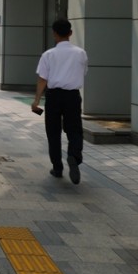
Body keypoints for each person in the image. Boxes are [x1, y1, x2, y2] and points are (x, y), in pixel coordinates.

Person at [31, 19, 88, 184]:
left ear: (54, 34)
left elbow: (42, 79)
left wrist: (36, 101)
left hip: (54, 96)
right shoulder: (81, 53)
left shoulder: (48, 54)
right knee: (75, 130)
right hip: (72, 96)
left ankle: (57, 167)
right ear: (70, 33)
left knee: (53, 132)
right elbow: (83, 72)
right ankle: (74, 156)